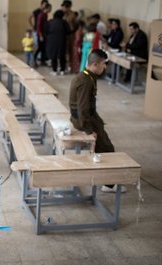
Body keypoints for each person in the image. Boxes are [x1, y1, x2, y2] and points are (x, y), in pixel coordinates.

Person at [69, 49, 126, 193]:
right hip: (82, 121)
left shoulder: (88, 76)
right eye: (103, 64)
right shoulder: (85, 81)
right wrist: (89, 130)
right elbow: (82, 109)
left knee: (105, 144)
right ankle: (109, 185)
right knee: (107, 148)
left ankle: (107, 180)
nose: (105, 67)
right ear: (95, 64)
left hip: (88, 117)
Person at [45, 10, 70, 75]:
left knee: (53, 56)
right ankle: (62, 70)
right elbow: (68, 31)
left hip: (52, 41)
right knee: (62, 55)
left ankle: (54, 70)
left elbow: (46, 31)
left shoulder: (50, 22)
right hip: (62, 40)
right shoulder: (64, 22)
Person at [61, 0, 77, 73]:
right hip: (62, 35)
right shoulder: (61, 14)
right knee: (63, 51)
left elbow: (75, 25)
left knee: (70, 51)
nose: (63, 9)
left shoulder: (72, 15)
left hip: (70, 35)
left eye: (64, 7)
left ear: (69, 7)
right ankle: (63, 66)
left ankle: (71, 66)